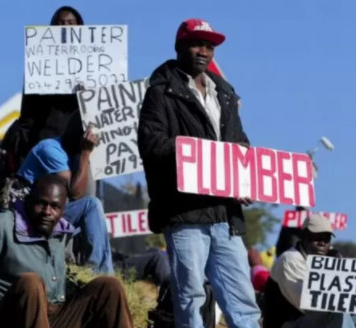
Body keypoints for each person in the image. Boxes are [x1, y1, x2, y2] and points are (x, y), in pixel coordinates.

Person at [137, 18, 260, 328]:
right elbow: (152, 145)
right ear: (179, 47)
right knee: (190, 299)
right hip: (185, 215)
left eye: (209, 46)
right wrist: (193, 153)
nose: (204, 51)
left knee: (242, 300)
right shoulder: (160, 93)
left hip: (225, 216)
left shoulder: (226, 93)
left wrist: (244, 181)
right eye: (196, 44)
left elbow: (240, 145)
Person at [0, 175, 133, 328]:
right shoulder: (0, 226)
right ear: (28, 201)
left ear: (63, 210)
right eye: (41, 203)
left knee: (109, 287)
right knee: (30, 282)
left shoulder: (58, 233)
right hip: (7, 316)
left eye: (54, 206)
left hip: (50, 317)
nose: (47, 212)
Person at [0, 6, 93, 194]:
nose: (65, 28)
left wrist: (87, 95)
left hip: (80, 148)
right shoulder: (38, 65)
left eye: (71, 24)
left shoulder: (95, 70)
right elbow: (28, 115)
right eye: (60, 24)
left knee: (83, 201)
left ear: (81, 28)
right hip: (46, 147)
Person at [13, 111, 113, 274]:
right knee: (91, 206)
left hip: (51, 212)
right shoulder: (50, 150)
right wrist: (85, 153)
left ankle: (85, 269)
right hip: (31, 215)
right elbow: (75, 193)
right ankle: (100, 273)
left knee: (95, 218)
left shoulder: (72, 153)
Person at [263, 214, 356, 328]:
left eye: (327, 239)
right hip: (288, 323)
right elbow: (309, 305)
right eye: (316, 237)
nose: (322, 243)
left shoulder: (326, 257)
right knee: (337, 310)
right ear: (303, 237)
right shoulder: (290, 260)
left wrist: (340, 268)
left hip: (312, 319)